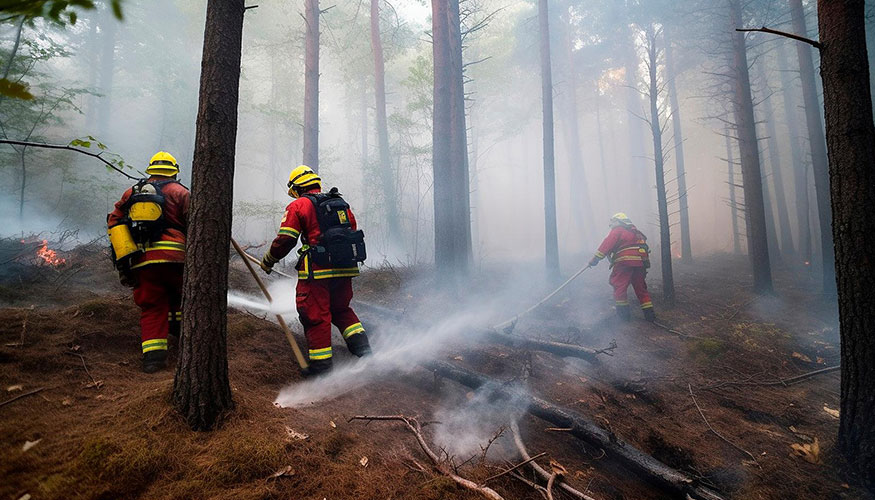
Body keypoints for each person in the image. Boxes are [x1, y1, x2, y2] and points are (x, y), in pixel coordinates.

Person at [260, 165, 371, 376]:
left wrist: (268, 260)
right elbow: (352, 231)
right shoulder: (340, 203)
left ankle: (321, 371)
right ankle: (365, 354)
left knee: (315, 316)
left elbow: (285, 240)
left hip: (317, 273)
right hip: (345, 268)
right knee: (341, 310)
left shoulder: (299, 205)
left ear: (296, 188)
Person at [107, 152, 189, 373]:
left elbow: (114, 222)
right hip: (177, 260)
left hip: (143, 261)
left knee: (153, 306)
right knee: (181, 297)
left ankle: (153, 360)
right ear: (174, 171)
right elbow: (195, 225)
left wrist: (125, 259)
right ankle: (181, 337)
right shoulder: (181, 193)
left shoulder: (131, 193)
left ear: (151, 170)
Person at [588, 212, 655, 322]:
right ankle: (650, 316)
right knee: (641, 289)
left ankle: (624, 317)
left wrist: (595, 260)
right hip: (640, 264)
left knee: (619, 287)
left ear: (617, 221)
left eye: (612, 223)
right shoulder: (637, 233)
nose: (611, 226)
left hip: (624, 263)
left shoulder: (618, 230)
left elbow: (606, 245)